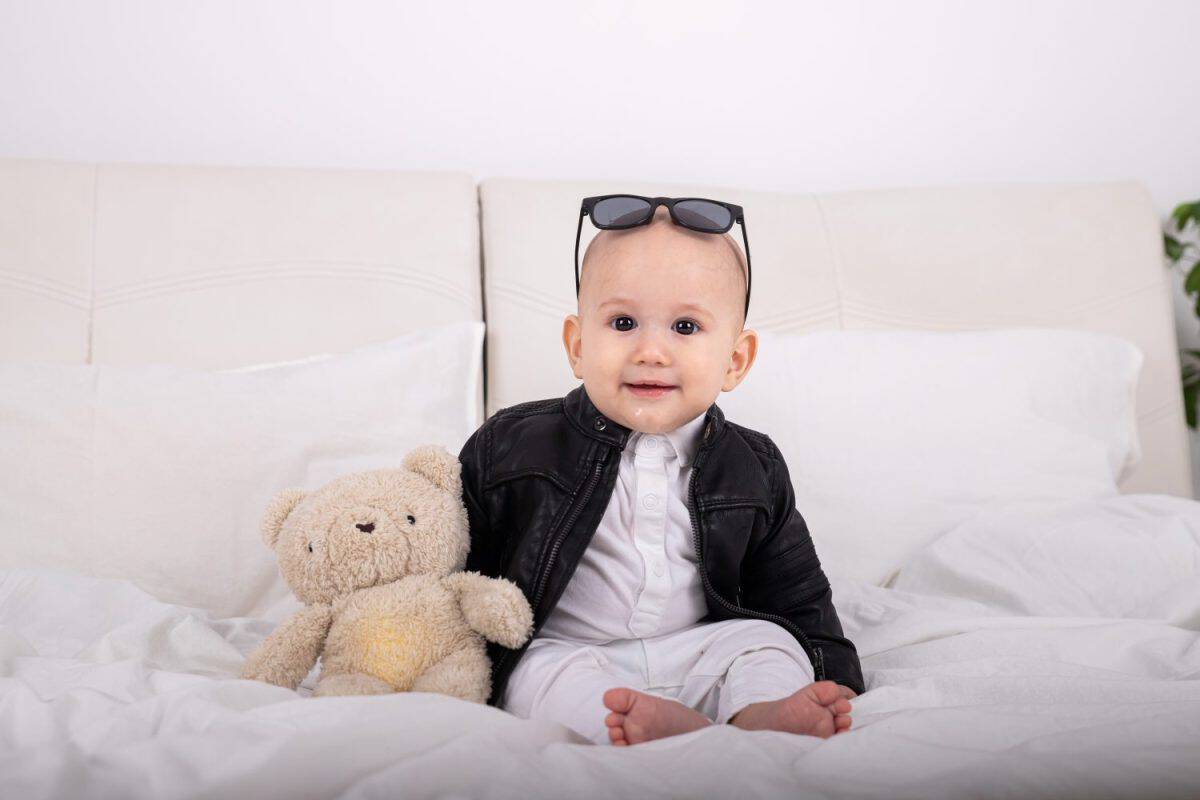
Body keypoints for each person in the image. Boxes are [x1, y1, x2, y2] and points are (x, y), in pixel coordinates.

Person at [457, 197, 864, 746]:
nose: (651, 350)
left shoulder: (752, 465)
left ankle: (758, 714)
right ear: (578, 346)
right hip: (571, 649)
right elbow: (458, 563)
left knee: (768, 643)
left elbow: (795, 592)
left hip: (694, 646)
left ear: (735, 361)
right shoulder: (513, 444)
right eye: (623, 322)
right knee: (531, 676)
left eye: (686, 326)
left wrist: (835, 678)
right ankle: (633, 721)